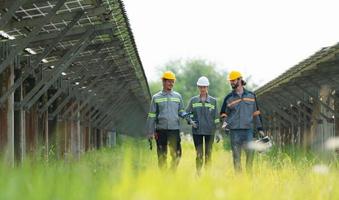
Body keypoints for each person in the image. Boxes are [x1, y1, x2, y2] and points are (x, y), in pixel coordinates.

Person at [220, 70, 265, 173]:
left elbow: (256, 114)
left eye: (233, 80)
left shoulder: (251, 96)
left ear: (240, 80)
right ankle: (239, 181)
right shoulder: (228, 98)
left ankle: (249, 179)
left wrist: (260, 129)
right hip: (234, 132)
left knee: (250, 156)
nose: (231, 82)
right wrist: (225, 124)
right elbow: (223, 114)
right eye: (230, 81)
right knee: (236, 158)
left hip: (248, 131)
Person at [146, 71, 186, 171]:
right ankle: (164, 178)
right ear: (163, 82)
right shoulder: (156, 97)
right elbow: (152, 115)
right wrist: (150, 131)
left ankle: (171, 173)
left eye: (173, 82)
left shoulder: (178, 96)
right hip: (161, 131)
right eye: (169, 81)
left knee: (177, 154)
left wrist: (187, 116)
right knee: (161, 156)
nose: (171, 84)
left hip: (174, 130)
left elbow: (181, 111)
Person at [186, 76, 220, 176]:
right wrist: (190, 121)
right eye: (201, 87)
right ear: (198, 87)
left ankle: (208, 175)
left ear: (207, 87)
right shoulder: (193, 100)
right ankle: (198, 173)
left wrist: (217, 131)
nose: (203, 89)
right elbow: (186, 113)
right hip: (197, 132)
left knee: (208, 154)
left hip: (210, 132)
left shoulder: (213, 101)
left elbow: (216, 117)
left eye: (204, 87)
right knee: (199, 154)